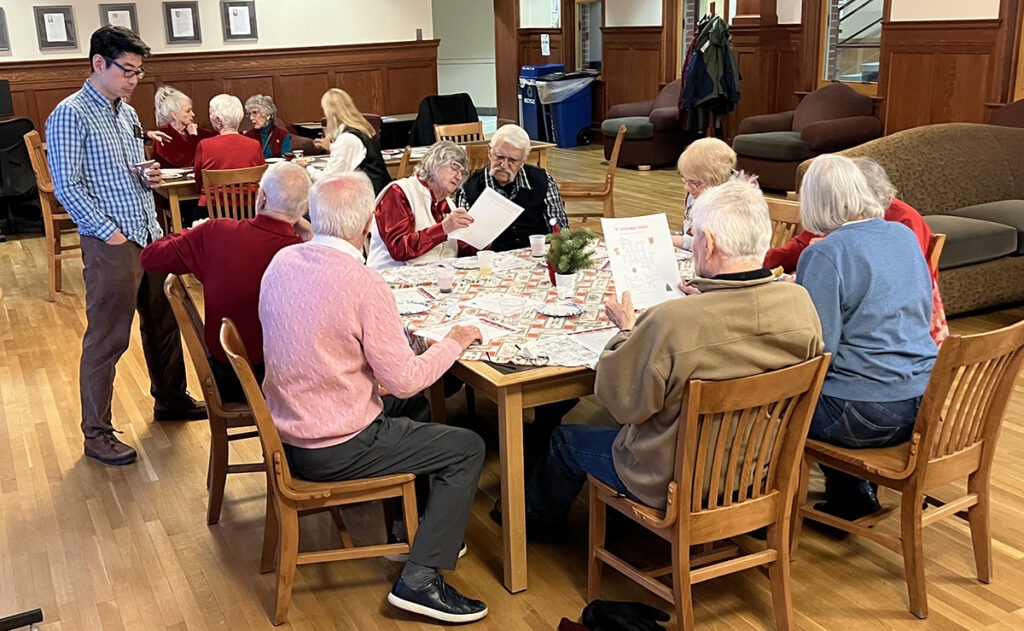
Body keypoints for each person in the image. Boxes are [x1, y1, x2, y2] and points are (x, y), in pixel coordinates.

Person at [513, 181, 824, 536]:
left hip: (675, 480)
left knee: (564, 440)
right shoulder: (800, 303)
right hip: (757, 470)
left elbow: (622, 405)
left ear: (708, 243)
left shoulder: (673, 321)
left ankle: (536, 526)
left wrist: (627, 331)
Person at [259, 172, 489, 623]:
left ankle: (410, 527)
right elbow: (405, 380)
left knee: (416, 408)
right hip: (333, 446)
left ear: (313, 217)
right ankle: (420, 580)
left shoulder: (282, 261)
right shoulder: (364, 282)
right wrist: (455, 341)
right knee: (467, 447)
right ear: (368, 224)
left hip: (287, 430)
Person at [45, 25, 205, 467]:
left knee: (164, 321)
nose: (135, 79)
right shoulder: (70, 114)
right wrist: (109, 232)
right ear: (99, 63)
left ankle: (171, 398)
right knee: (108, 338)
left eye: (139, 71)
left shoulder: (126, 113)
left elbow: (126, 170)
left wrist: (146, 175)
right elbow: (67, 186)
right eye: (128, 70)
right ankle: (96, 433)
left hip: (147, 231)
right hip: (111, 241)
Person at [796, 154, 937, 521]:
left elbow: (820, 349)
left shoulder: (825, 252)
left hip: (866, 415)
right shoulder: (903, 235)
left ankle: (755, 510)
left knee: (768, 402)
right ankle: (849, 494)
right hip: (925, 400)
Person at [140, 162, 312, 402]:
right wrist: (311, 236)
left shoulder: (216, 232)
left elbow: (150, 256)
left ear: (261, 197)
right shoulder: (309, 253)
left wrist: (192, 232)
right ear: (304, 209)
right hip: (292, 381)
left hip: (232, 375)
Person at [765, 157, 948, 345]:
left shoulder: (827, 252)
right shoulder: (902, 233)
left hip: (872, 355)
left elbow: (823, 343)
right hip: (918, 353)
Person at [452, 124, 567, 251]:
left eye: (513, 160)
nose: (504, 165)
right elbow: (464, 243)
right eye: (499, 156)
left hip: (537, 254)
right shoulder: (468, 188)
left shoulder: (543, 181)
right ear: (489, 153)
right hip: (492, 257)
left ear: (523, 161)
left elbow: (560, 231)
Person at [367, 141, 475, 270]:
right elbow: (399, 249)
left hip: (438, 275)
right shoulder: (400, 192)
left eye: (463, 173)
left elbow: (457, 250)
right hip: (393, 274)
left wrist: (481, 240)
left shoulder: (448, 203)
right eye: (454, 168)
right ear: (433, 165)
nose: (459, 177)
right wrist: (443, 229)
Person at [304, 88, 392, 194]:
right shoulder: (363, 128)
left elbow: (328, 180)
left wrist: (307, 167)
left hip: (367, 196)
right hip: (378, 189)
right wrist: (332, 147)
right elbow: (356, 154)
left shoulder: (347, 138)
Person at [671, 137, 749, 250]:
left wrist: (678, 241)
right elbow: (690, 230)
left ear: (718, 180)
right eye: (685, 180)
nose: (687, 188)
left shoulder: (736, 202)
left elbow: (719, 247)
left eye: (694, 182)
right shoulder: (700, 189)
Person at [193, 94, 265, 213]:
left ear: (218, 120)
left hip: (213, 212)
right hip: (250, 210)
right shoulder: (255, 145)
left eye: (210, 114)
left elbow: (199, 182)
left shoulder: (205, 145)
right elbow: (263, 179)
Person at [151, 86, 216, 168]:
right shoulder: (164, 134)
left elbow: (215, 136)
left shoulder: (189, 129)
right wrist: (193, 136)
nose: (193, 114)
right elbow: (185, 162)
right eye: (188, 111)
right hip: (171, 176)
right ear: (174, 115)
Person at [243, 94, 291, 159]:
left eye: (254, 113)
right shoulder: (248, 136)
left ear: (268, 115)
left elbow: (286, 159)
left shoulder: (282, 134)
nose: (251, 118)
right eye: (249, 114)